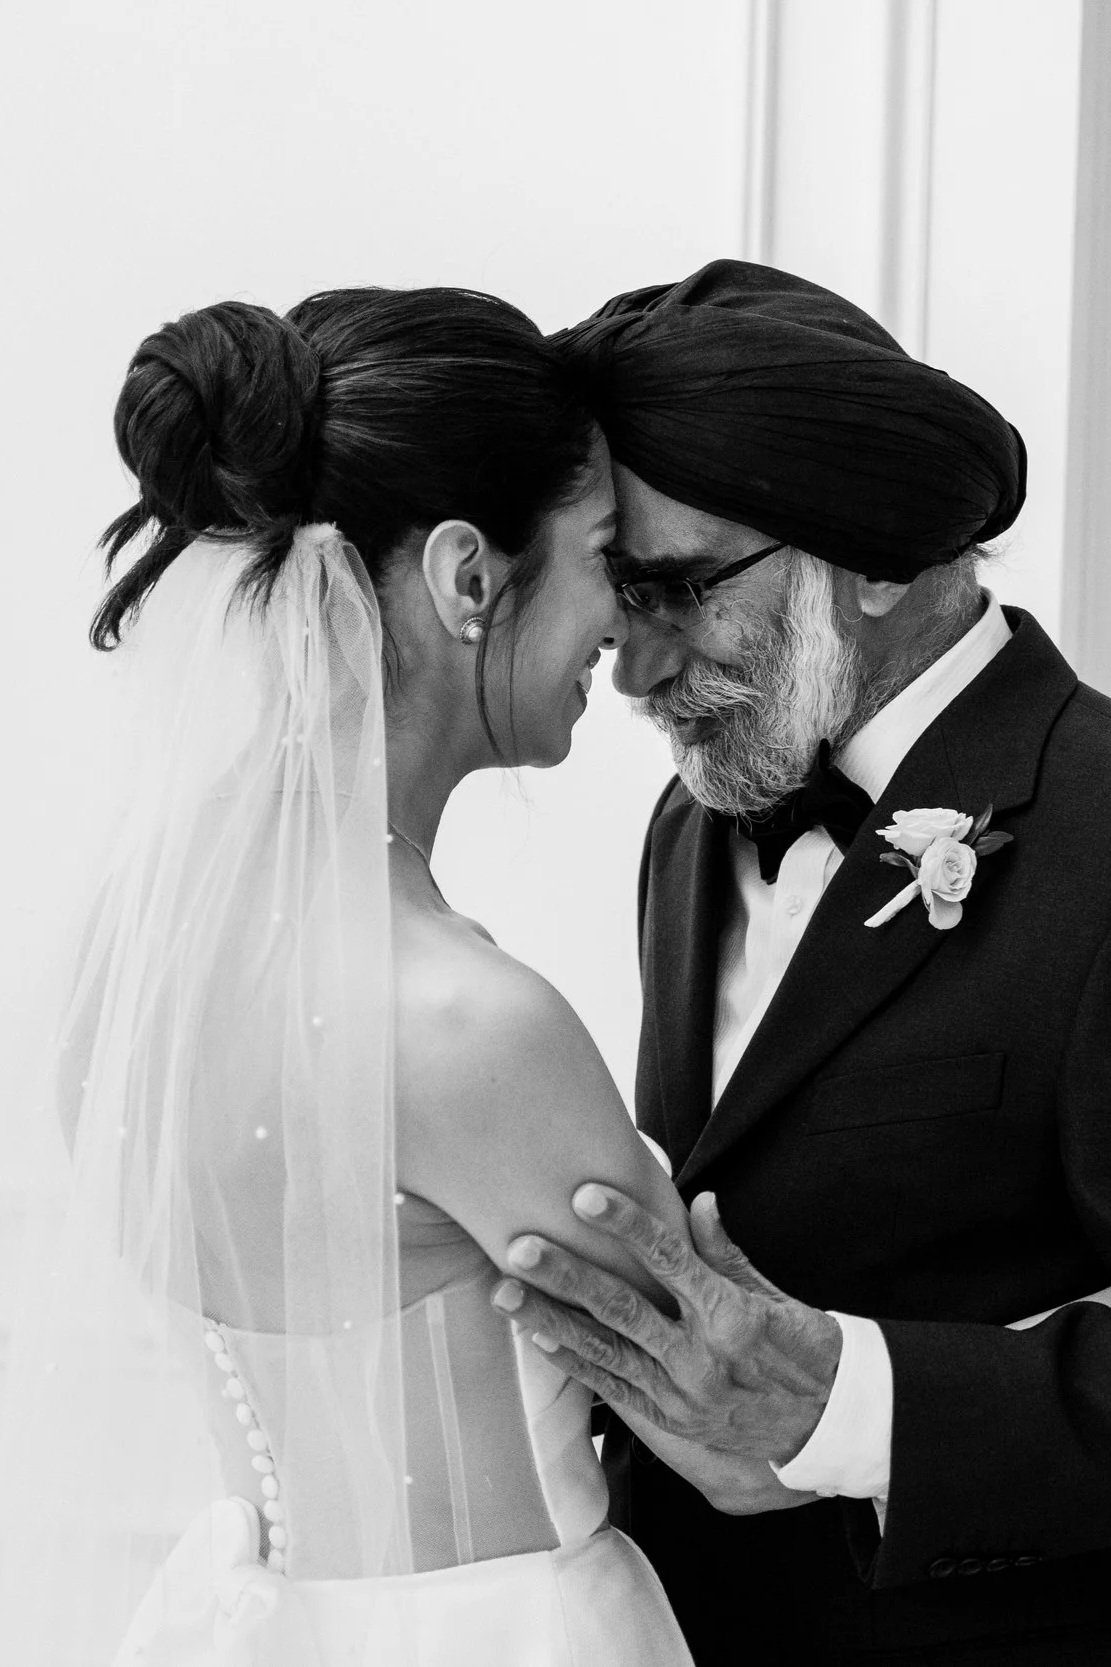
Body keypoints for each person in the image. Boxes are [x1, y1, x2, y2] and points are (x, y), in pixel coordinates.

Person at [0, 288, 697, 1665]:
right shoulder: (469, 1023)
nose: (623, 614)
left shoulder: (128, 956)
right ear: (466, 575)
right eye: (605, 555)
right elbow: (725, 1409)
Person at [493, 261, 1111, 1665]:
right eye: (615, 595)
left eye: (678, 590)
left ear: (882, 550)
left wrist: (860, 1408)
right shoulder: (691, 824)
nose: (634, 674)